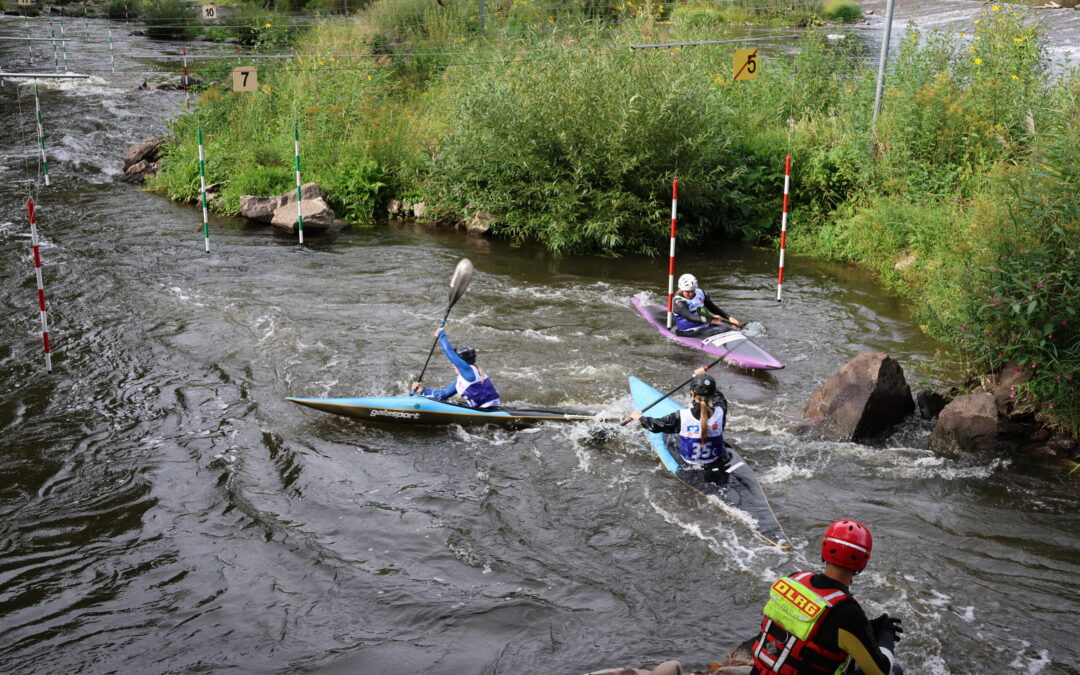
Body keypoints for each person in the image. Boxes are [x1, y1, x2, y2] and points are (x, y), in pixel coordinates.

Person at [749, 519, 904, 675]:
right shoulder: (848, 613)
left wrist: (868, 628)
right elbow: (880, 671)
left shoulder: (795, 579)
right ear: (863, 562)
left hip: (762, 669)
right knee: (894, 671)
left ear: (824, 548)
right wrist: (886, 634)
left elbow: (813, 629)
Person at [630, 367, 730, 484]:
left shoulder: (681, 416)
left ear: (692, 394)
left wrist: (640, 418)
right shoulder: (720, 411)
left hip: (690, 462)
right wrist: (704, 376)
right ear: (712, 395)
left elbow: (656, 426)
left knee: (669, 436)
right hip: (715, 459)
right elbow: (720, 399)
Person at [410, 327, 501, 409]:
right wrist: (423, 390)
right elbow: (444, 394)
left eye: (455, 361)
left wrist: (441, 334)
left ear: (461, 362)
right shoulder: (464, 378)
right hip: (483, 410)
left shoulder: (469, 371)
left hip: (489, 411)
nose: (452, 364)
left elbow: (448, 351)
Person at [672, 273, 741, 337]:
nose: (691, 294)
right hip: (688, 330)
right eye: (687, 291)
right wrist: (711, 318)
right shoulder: (679, 302)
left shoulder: (700, 293)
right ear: (681, 289)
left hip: (705, 326)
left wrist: (729, 318)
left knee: (731, 328)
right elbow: (690, 317)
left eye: (693, 290)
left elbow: (712, 307)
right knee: (724, 329)